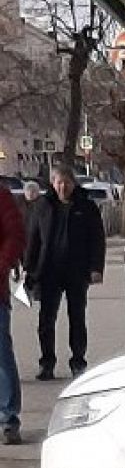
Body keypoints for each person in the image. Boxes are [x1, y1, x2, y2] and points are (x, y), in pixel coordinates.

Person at [24, 164, 106, 381]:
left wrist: (96, 268)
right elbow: (33, 237)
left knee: (77, 317)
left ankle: (78, 362)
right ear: (52, 183)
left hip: (77, 271)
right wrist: (28, 267)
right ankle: (47, 363)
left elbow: (98, 240)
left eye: (67, 182)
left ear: (73, 183)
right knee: (46, 320)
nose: (63, 187)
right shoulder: (43, 205)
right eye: (59, 182)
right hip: (49, 271)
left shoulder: (86, 207)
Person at [0, 184, 26, 444]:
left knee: (1, 357)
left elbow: (15, 236)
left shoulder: (1, 196)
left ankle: (8, 419)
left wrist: (2, 264)